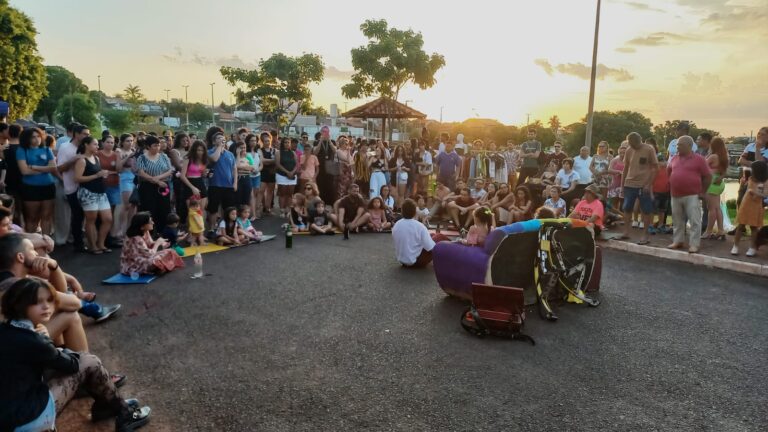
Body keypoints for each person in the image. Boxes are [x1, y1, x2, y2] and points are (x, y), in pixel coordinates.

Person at [0, 278, 152, 432]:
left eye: (49, 300)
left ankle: (107, 405)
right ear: (19, 305)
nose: (46, 306)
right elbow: (72, 366)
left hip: (7, 416)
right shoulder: (34, 340)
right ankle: (125, 414)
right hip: (26, 420)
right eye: (37, 302)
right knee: (89, 362)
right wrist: (47, 340)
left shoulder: (6, 329)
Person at [666, 136, 711, 253]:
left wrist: (703, 191)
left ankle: (694, 244)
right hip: (675, 194)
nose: (677, 147)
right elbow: (669, 170)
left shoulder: (699, 159)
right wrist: (671, 182)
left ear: (689, 146)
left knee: (694, 220)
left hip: (692, 194)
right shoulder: (674, 158)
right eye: (677, 145)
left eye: (680, 145)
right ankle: (678, 241)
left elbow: (708, 176)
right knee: (677, 220)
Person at [73, 136, 113, 254]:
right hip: (88, 192)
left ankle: (101, 243)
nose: (97, 146)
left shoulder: (96, 158)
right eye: (95, 144)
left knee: (108, 219)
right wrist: (97, 175)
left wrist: (102, 174)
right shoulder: (82, 160)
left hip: (100, 191)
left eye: (97, 144)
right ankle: (93, 246)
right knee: (91, 219)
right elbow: (77, 178)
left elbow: (97, 174)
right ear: (86, 145)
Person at [56, 124, 90, 252]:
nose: (87, 136)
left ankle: (78, 239)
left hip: (86, 187)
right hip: (71, 186)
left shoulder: (86, 147)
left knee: (83, 215)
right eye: (85, 134)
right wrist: (74, 159)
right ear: (76, 134)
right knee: (77, 215)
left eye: (88, 134)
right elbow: (60, 168)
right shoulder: (65, 147)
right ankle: (77, 243)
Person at [16, 127, 56, 236]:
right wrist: (45, 169)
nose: (37, 139)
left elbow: (53, 168)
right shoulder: (22, 150)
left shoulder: (47, 149)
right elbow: (24, 171)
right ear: (27, 138)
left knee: (46, 216)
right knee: (32, 218)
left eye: (38, 136)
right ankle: (32, 243)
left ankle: (46, 242)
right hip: (30, 187)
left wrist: (34, 167)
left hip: (48, 186)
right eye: (33, 137)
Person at [621, 132, 658, 245]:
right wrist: (622, 185)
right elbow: (625, 168)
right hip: (629, 184)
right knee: (627, 208)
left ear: (640, 140)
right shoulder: (629, 150)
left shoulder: (649, 149)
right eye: (631, 144)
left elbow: (655, 168)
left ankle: (645, 235)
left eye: (635, 143)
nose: (633, 146)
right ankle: (626, 232)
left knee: (646, 210)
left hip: (643, 185)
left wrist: (648, 184)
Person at [392, 198, 441, 268]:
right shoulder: (419, 226)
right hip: (417, 261)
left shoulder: (397, 224)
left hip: (402, 261)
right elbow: (431, 248)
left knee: (432, 235)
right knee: (439, 237)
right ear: (415, 212)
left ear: (402, 211)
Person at [731, 160, 767, 257]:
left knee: (753, 227)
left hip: (756, 206)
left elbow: (765, 194)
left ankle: (752, 247)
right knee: (740, 226)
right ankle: (735, 246)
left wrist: (755, 192)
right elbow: (748, 190)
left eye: (753, 169)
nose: (752, 171)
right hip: (746, 204)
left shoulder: (765, 182)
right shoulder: (750, 178)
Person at [206, 130, 237, 230]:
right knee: (213, 209)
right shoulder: (209, 152)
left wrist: (235, 183)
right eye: (219, 138)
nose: (221, 140)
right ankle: (212, 228)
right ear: (214, 141)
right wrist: (219, 147)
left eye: (223, 139)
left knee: (228, 209)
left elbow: (234, 169)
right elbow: (214, 159)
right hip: (215, 185)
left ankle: (226, 228)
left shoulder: (230, 154)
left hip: (228, 185)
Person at [97, 134, 122, 246]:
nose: (110, 144)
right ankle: (101, 237)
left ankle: (109, 237)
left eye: (112, 142)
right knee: (101, 213)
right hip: (101, 186)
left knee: (111, 212)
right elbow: (96, 169)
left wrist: (119, 156)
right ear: (102, 143)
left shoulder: (116, 154)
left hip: (114, 185)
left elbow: (119, 170)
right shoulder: (97, 154)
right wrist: (110, 172)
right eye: (108, 142)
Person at [701, 137, 729, 239]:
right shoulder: (724, 157)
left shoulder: (713, 156)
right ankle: (721, 230)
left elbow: (702, 165)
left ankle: (708, 231)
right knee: (717, 208)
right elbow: (725, 172)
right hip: (719, 182)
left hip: (711, 183)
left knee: (711, 209)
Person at [115, 133, 137, 241]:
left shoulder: (134, 150)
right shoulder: (119, 151)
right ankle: (121, 229)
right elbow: (118, 168)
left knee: (134, 205)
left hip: (134, 178)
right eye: (127, 141)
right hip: (124, 178)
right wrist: (128, 156)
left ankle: (130, 229)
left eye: (131, 140)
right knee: (127, 205)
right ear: (122, 142)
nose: (130, 143)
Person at [180, 140, 209, 217]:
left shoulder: (204, 160)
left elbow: (203, 175)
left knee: (201, 211)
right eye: (198, 150)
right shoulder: (188, 159)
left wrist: (206, 173)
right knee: (192, 212)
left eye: (202, 150)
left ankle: (201, 225)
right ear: (194, 150)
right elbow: (182, 176)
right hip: (189, 184)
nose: (200, 152)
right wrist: (192, 188)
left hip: (200, 183)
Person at [314, 126, 338, 205]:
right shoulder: (317, 142)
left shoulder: (332, 141)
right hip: (320, 167)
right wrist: (320, 141)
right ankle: (320, 203)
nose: (325, 133)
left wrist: (329, 141)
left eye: (326, 132)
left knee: (330, 186)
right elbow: (315, 152)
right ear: (321, 132)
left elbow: (335, 151)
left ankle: (330, 203)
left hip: (330, 167)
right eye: (323, 132)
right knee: (321, 185)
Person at [275, 137, 298, 218]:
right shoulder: (278, 152)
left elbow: (296, 164)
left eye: (288, 142)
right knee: (282, 193)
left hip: (292, 176)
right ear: (282, 143)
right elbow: (278, 164)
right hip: (281, 175)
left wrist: (292, 172)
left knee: (290, 194)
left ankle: (288, 210)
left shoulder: (293, 152)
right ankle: (282, 210)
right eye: (285, 142)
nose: (287, 144)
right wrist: (287, 172)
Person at [650, 152, 672, 235]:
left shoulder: (668, 170)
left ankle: (660, 225)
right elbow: (650, 183)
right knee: (652, 210)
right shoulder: (654, 170)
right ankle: (650, 225)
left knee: (662, 210)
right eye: (661, 161)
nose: (664, 163)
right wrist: (651, 194)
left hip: (665, 193)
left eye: (664, 161)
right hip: (655, 192)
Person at [244, 134, 263, 220]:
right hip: (248, 176)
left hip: (257, 176)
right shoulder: (245, 152)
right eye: (251, 140)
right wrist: (250, 169)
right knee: (250, 195)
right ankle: (249, 214)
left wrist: (258, 170)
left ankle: (253, 214)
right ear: (248, 142)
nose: (254, 142)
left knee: (255, 195)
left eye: (255, 140)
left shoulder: (258, 152)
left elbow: (261, 165)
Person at [259, 131, 277, 215]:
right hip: (263, 172)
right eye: (265, 141)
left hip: (272, 173)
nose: (267, 142)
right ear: (262, 141)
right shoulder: (260, 150)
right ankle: (260, 207)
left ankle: (267, 208)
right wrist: (272, 161)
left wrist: (268, 161)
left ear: (271, 140)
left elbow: (277, 160)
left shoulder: (275, 150)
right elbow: (262, 160)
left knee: (270, 192)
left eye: (268, 141)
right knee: (261, 191)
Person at [234, 141, 255, 208]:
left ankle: (245, 213)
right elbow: (236, 166)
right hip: (238, 179)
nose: (243, 149)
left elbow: (252, 168)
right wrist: (238, 155)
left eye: (244, 147)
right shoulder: (234, 157)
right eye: (241, 148)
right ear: (237, 148)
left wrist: (241, 167)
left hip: (247, 179)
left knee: (246, 199)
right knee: (238, 198)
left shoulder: (248, 156)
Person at [335, 136, 353, 200]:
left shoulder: (346, 152)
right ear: (342, 144)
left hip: (348, 172)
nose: (347, 146)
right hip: (342, 172)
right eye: (346, 144)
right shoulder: (338, 151)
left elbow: (351, 162)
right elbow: (347, 160)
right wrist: (348, 151)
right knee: (342, 189)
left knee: (348, 188)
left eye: (347, 144)